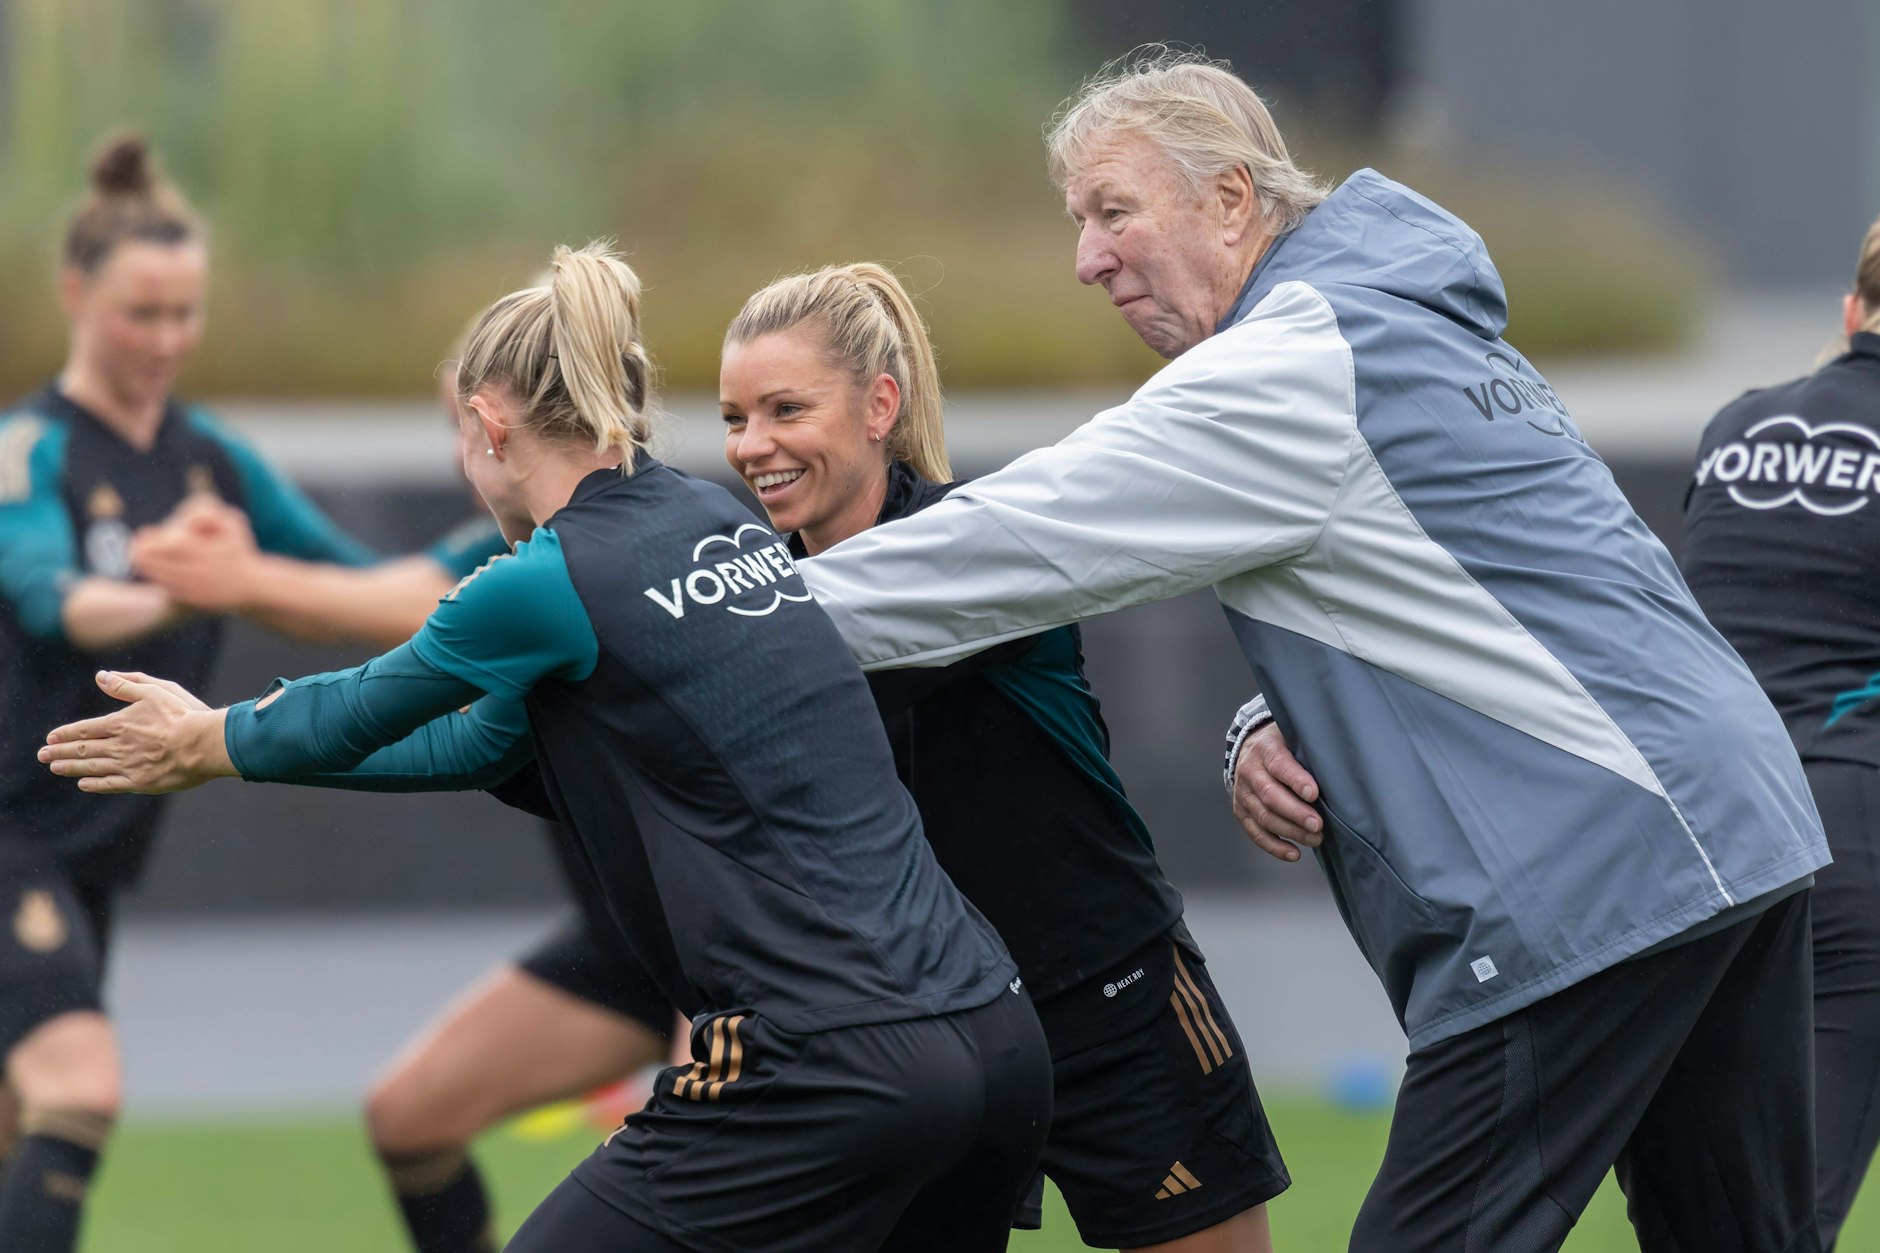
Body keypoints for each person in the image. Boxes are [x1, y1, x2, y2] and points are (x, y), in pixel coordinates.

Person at [789, 49, 1827, 1251]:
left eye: (1113, 213)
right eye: (1080, 223)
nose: (1087, 258)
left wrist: (703, 616)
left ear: (1231, 200)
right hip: (1736, 828)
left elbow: (1012, 541)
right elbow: (1501, 588)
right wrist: (1262, 719)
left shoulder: (1287, 361)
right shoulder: (1404, 314)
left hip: (1599, 868)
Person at [40, 242, 1054, 1253]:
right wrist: (224, 747)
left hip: (830, 1060)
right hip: (995, 1033)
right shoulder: (712, 516)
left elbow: (367, 704)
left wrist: (208, 735)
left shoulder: (548, 575)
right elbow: (474, 742)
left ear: (488, 425)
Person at [720, 262, 1287, 1251]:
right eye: (734, 417)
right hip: (919, 1042)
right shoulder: (753, 587)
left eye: (783, 407)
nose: (752, 444)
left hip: (1107, 997)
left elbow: (801, 667)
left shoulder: (977, 549)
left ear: (877, 404)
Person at [133, 371, 679, 1253]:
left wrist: (232, 643)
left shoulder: (599, 553)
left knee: (689, 1188)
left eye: (467, 431)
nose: (465, 459)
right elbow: (458, 723)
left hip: (725, 945)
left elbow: (405, 615)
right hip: (629, 943)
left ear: (504, 428)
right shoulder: (515, 548)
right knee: (409, 1116)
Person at [0, 134, 386, 1253]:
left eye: (186, 314)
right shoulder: (28, 449)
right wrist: (180, 579)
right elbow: (53, 602)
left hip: (92, 846)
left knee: (26, 1125)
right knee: (83, 1085)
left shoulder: (213, 456)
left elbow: (350, 576)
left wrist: (505, 589)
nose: (166, 340)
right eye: (140, 313)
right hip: (10, 830)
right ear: (77, 294)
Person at [1680, 212, 1880, 1249]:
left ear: (1849, 313)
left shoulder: (1735, 424)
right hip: (1845, 826)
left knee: (1701, 1215)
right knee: (1783, 1218)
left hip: (1689, 836)